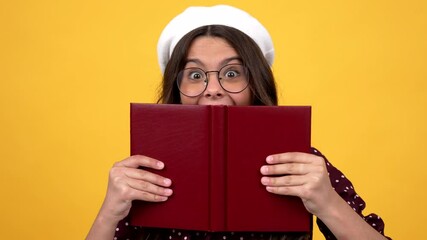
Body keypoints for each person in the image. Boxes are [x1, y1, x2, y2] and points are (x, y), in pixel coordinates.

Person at [86, 5, 391, 240]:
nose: (214, 88)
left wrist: (328, 204)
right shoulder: (145, 170)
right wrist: (108, 213)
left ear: (255, 84)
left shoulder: (303, 164)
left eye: (232, 73)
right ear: (176, 89)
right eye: (195, 75)